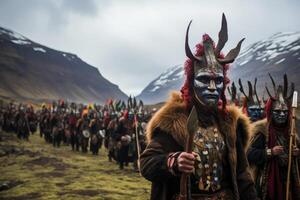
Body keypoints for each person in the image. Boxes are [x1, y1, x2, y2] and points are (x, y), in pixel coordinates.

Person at [140, 14, 257, 200]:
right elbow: (146, 164)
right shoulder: (173, 122)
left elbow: (242, 175)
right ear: (191, 83)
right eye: (204, 79)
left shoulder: (230, 124)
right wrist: (173, 161)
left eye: (218, 80)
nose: (212, 87)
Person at [247, 74, 300, 199]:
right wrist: (270, 152)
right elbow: (249, 154)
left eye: (284, 112)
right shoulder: (262, 130)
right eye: (277, 111)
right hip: (268, 179)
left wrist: (298, 153)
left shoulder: (293, 130)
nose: (282, 115)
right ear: (271, 112)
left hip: (290, 179)